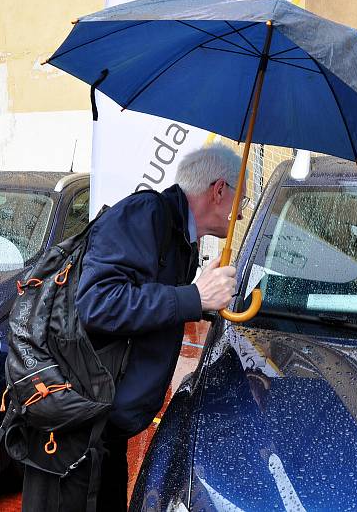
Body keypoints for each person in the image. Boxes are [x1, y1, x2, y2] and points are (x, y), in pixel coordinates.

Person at [20, 143, 245, 512]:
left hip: (105, 425)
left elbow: (147, 305)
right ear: (219, 191)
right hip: (75, 431)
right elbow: (98, 303)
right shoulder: (146, 215)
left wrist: (203, 300)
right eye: (242, 198)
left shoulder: (180, 236)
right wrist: (193, 297)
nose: (240, 214)